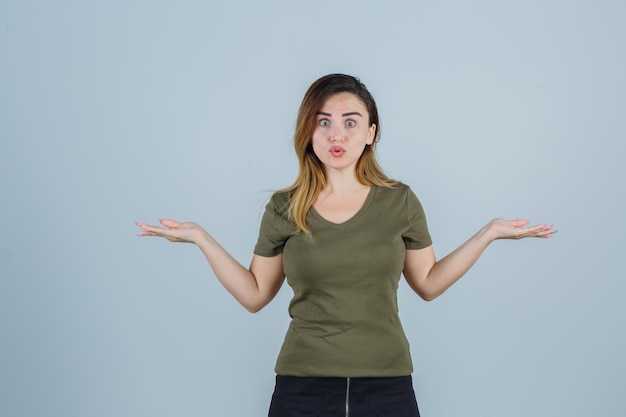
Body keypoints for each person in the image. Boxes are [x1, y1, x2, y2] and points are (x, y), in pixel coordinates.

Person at [137, 74, 555, 417]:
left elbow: (427, 283)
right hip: (301, 388)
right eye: (324, 122)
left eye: (351, 122)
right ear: (309, 131)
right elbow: (254, 294)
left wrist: (489, 233)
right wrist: (199, 238)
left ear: (371, 133)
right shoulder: (284, 207)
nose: (337, 134)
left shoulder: (399, 200)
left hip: (387, 387)